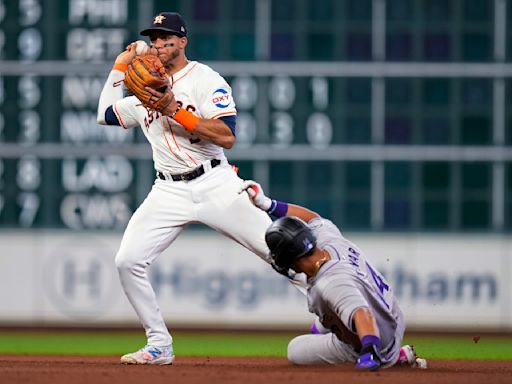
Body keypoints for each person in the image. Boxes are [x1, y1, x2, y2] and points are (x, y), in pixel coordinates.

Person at [96, 12, 305, 365]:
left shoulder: (205, 79)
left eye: (167, 38)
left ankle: (344, 322)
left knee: (282, 255)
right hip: (167, 191)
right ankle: (159, 344)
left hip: (215, 183)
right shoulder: (142, 91)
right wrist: (119, 67)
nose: (160, 44)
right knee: (127, 261)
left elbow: (227, 136)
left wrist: (177, 111)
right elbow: (104, 114)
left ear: (183, 41)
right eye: (155, 38)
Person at [240, 180, 427, 370]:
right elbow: (312, 218)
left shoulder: (330, 283)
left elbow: (362, 313)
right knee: (321, 324)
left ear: (290, 258)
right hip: (391, 313)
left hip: (380, 338)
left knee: (295, 349)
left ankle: (394, 358)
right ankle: (386, 349)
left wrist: (370, 349)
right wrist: (268, 204)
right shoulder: (327, 239)